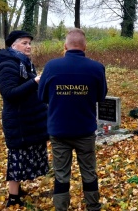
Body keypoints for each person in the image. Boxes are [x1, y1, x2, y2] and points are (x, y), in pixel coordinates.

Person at [38, 28, 108, 211]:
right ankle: (93, 206)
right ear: (85, 47)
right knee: (89, 171)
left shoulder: (52, 66)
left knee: (61, 174)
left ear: (65, 46)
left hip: (59, 130)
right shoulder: (96, 68)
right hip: (85, 130)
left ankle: (61, 208)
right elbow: (100, 97)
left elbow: (42, 96)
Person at [0, 30, 50, 208]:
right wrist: (35, 82)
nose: (28, 46)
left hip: (29, 117)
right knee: (17, 157)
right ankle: (13, 198)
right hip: (18, 120)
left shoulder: (23, 62)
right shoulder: (7, 64)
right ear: (13, 45)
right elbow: (9, 94)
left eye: (29, 43)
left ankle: (18, 190)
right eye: (24, 43)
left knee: (26, 156)